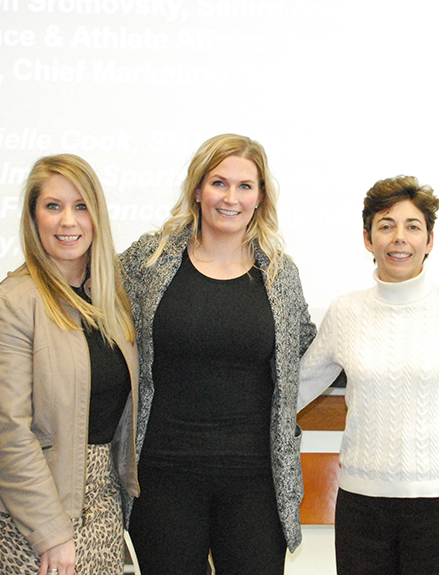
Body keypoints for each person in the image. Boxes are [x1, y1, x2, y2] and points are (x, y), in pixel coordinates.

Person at [119, 134, 316, 574]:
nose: (231, 198)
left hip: (255, 481)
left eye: (245, 186)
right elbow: (87, 284)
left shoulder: (281, 274)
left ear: (261, 196)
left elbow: (302, 345)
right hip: (164, 475)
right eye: (218, 183)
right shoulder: (149, 260)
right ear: (197, 189)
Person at [297, 176, 439, 575]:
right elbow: (296, 389)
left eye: (412, 227)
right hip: (361, 503)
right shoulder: (345, 311)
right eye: (386, 226)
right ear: (367, 238)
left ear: (429, 240)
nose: (399, 238)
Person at [0, 154, 139, 575]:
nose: (68, 221)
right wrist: (51, 533)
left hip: (100, 498)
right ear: (33, 219)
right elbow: (7, 433)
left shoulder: (111, 300)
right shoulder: (9, 304)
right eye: (53, 206)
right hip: (26, 508)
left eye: (81, 206)